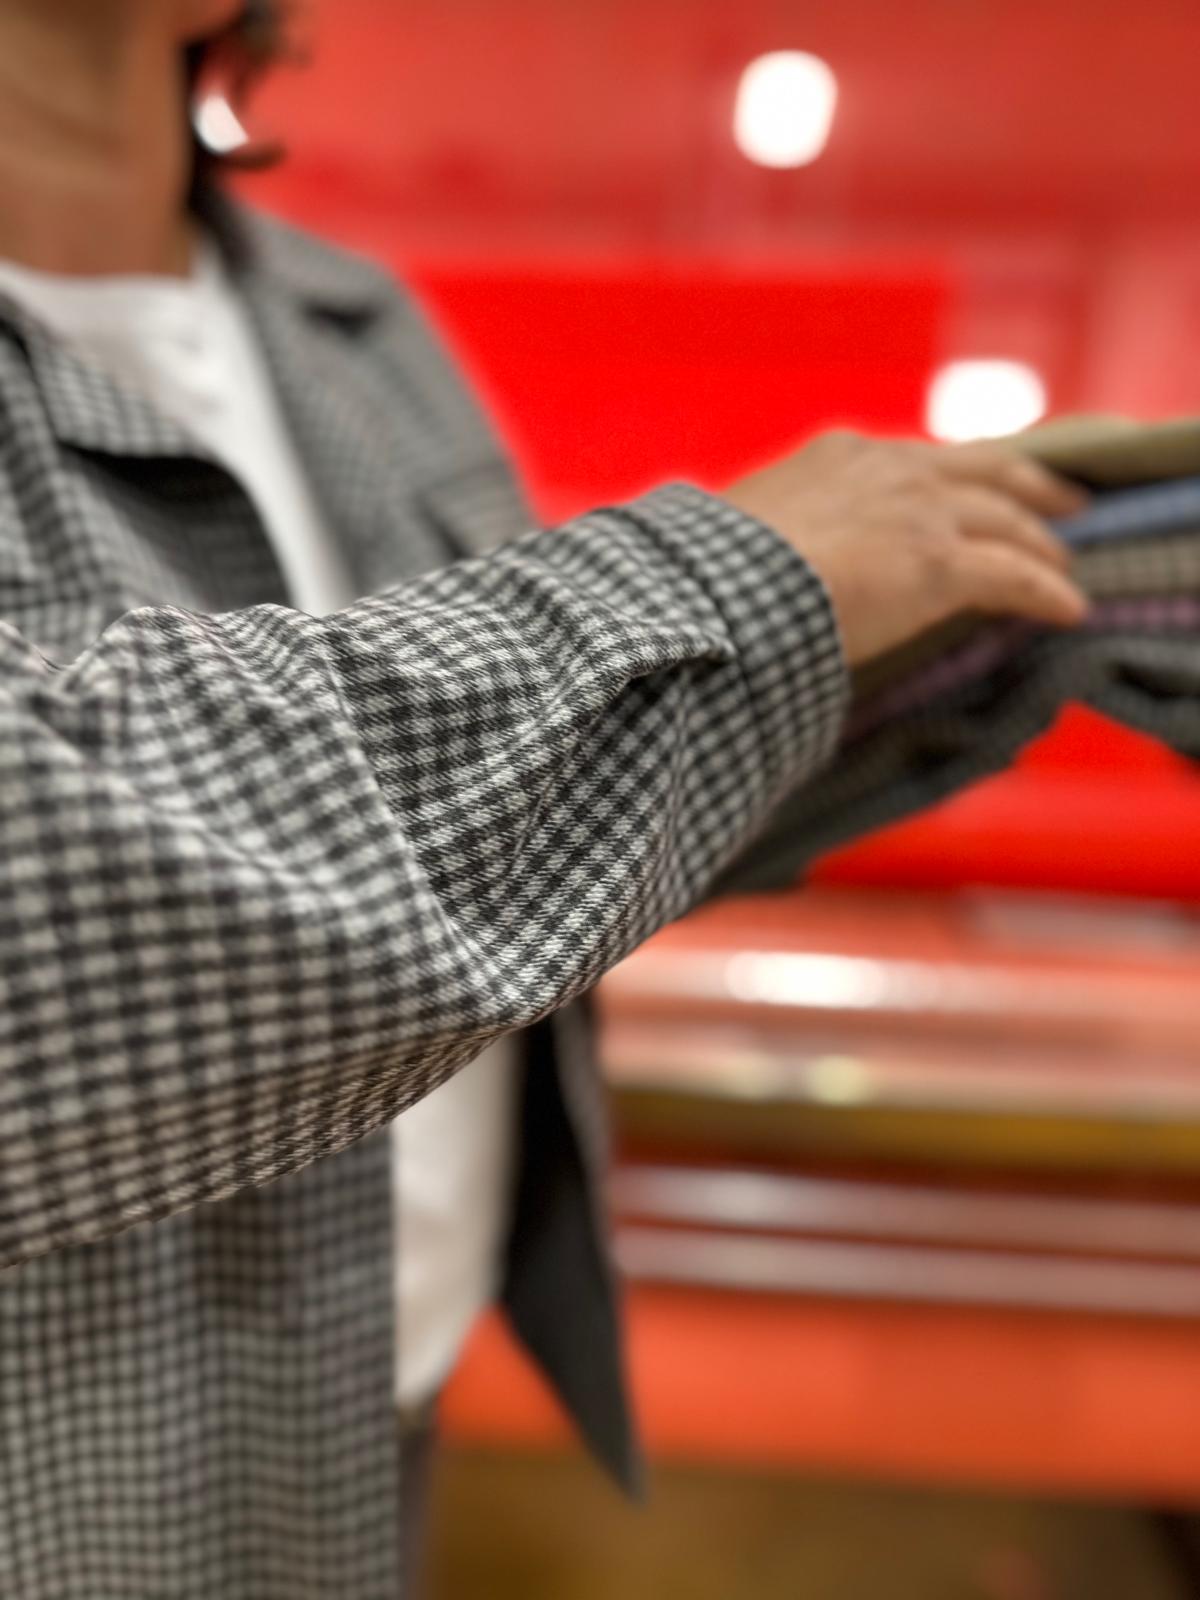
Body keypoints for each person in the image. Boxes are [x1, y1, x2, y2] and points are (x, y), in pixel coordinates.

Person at [0, 3, 1088, 1597]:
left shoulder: (354, 330)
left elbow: (539, 805)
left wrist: (979, 626)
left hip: (366, 1419)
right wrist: (746, 578)